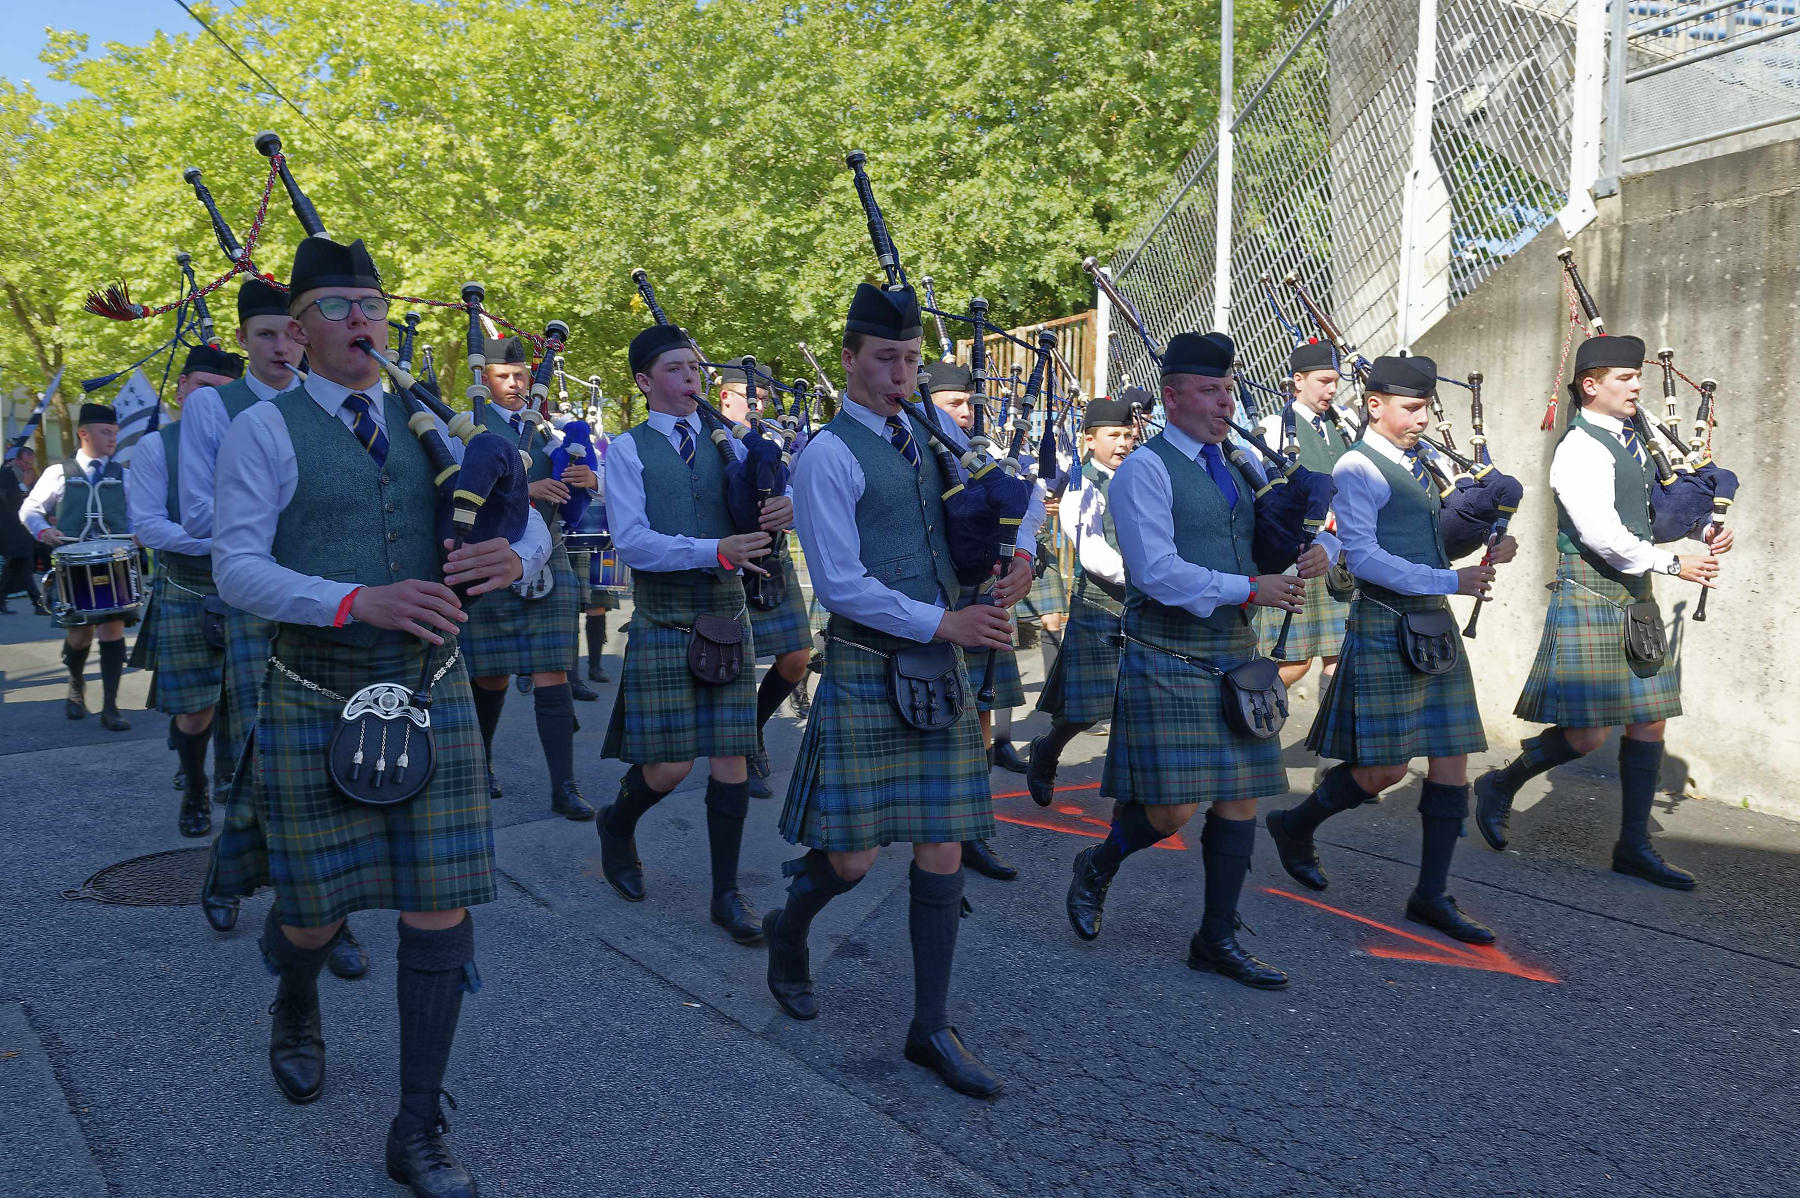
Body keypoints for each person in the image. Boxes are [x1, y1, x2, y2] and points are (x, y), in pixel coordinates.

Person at [208, 235, 549, 1198]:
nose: (361, 320)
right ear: (300, 330)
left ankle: (416, 1127)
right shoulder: (264, 431)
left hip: (429, 689)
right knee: (314, 913)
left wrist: (517, 558)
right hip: (318, 685)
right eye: (338, 306)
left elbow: (527, 518)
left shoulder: (437, 419)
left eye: (374, 303)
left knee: (438, 911)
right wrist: (359, 600)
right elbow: (237, 567)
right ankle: (296, 997)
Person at [770, 280, 1040, 1097]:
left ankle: (931, 1026)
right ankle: (790, 935)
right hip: (869, 663)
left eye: (913, 361)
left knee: (943, 844)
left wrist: (1021, 557)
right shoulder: (827, 455)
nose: (902, 375)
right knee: (849, 862)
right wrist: (942, 623)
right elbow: (841, 584)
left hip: (938, 668)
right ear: (849, 359)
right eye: (886, 358)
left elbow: (1012, 503)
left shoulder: (939, 437)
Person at [1065, 331, 1327, 989]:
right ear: (1173, 396)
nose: (1223, 402)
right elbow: (1154, 573)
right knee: (1172, 810)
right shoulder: (1145, 470)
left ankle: (1215, 937)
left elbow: (1260, 548)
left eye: (1229, 389)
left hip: (1233, 654)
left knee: (1239, 798)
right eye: (1210, 391)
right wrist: (1248, 589)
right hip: (1169, 652)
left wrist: (1308, 557)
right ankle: (1101, 861)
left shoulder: (1238, 465)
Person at [1475, 335, 1732, 890]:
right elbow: (1602, 535)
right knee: (1588, 735)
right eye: (1623, 377)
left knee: (1650, 716)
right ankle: (1500, 783)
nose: (1637, 385)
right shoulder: (1579, 449)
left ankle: (1632, 847)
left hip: (1634, 593)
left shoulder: (1636, 435)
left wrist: (1704, 527)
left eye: (1637, 376)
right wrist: (1671, 566)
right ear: (1590, 385)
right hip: (1592, 591)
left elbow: (1661, 508)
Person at [1272, 355, 1511, 943]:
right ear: (1374, 405)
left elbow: (1423, 544)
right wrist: (1450, 581)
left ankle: (1432, 895)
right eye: (1410, 407)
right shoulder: (1358, 466)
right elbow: (1366, 555)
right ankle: (1295, 824)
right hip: (1386, 621)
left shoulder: (1420, 463)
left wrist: (1481, 553)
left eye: (1426, 407)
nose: (1422, 418)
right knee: (1383, 771)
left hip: (1432, 621)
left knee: (1451, 758)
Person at [183, 279, 364, 963]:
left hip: (327, 598)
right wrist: (269, 508)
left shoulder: (339, 403)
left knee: (327, 762)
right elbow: (203, 515)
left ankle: (330, 914)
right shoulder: (218, 408)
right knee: (260, 756)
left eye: (289, 333)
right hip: (262, 597)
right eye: (266, 336)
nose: (282, 347)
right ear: (244, 342)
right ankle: (231, 868)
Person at [597, 324, 787, 945]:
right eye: (675, 371)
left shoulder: (730, 443)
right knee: (671, 766)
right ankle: (617, 824)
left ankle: (726, 895)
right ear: (645, 383)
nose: (690, 380)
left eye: (695, 369)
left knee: (731, 759)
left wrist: (784, 512)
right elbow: (631, 542)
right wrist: (718, 548)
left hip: (726, 614)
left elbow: (767, 515)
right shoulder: (627, 451)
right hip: (664, 616)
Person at [461, 336, 597, 820]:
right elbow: (459, 490)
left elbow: (590, 486)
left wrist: (588, 481)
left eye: (520, 375)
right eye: (504, 377)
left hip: (550, 553)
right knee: (491, 673)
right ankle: (482, 764)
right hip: (495, 554)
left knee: (553, 671)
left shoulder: (548, 432)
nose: (515, 384)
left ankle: (565, 786)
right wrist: (525, 488)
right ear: (484, 380)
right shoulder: (467, 427)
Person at [125, 344, 244, 838]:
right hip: (189, 584)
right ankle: (195, 787)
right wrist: (215, 540)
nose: (207, 402)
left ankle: (228, 779)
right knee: (195, 707)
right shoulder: (157, 447)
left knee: (245, 701)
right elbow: (147, 525)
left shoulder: (253, 437)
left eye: (220, 393)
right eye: (200, 388)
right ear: (181, 388)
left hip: (252, 585)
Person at [920, 358, 1021, 882]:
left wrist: (1026, 560)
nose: (965, 413)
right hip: (931, 602)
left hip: (980, 595)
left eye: (968, 404)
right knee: (935, 718)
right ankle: (933, 838)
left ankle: (971, 833)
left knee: (981, 715)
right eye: (954, 403)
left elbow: (1023, 513)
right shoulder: (915, 449)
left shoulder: (985, 454)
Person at [1026, 394, 1136, 806]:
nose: (1123, 443)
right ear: (1090, 440)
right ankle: (1047, 751)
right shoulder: (1081, 484)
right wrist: (1152, 576)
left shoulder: (1140, 475)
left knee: (1141, 699)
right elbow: (1094, 556)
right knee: (1084, 709)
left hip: (1145, 602)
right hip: (1102, 602)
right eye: (1113, 435)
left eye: (1127, 434)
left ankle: (1133, 787)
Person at [715, 357, 813, 800]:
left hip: (772, 560)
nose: (762, 406)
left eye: (766, 399)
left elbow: (797, 486)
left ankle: (750, 729)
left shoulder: (776, 440)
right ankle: (738, 752)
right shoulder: (704, 436)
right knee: (733, 670)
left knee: (796, 658)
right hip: (725, 563)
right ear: (725, 397)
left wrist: (791, 505)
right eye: (754, 398)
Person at [22, 402, 140, 730]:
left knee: (112, 631)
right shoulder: (58, 472)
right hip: (73, 565)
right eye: (106, 432)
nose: (113, 438)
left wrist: (142, 533)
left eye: (115, 432)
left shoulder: (124, 476)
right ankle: (76, 685)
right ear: (83, 433)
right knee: (79, 636)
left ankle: (111, 706)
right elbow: (30, 508)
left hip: (114, 563)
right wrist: (43, 530)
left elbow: (139, 516)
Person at [1255, 341, 1353, 690]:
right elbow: (1270, 495)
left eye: (1335, 381)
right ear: (1298, 380)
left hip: (1339, 552)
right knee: (1295, 662)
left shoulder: (1342, 423)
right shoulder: (1274, 425)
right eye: (1324, 380)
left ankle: (1333, 743)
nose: (1332, 389)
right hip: (1298, 555)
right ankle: (1248, 713)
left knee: (1340, 656)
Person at [1, 444, 47, 614]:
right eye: (26, 463)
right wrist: (24, 486)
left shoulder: (25, 474)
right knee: (22, 564)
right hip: (10, 528)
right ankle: (38, 604)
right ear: (17, 460)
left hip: (21, 528)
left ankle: (3, 599)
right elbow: (10, 501)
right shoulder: (7, 473)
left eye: (31, 463)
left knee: (17, 565)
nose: (29, 467)